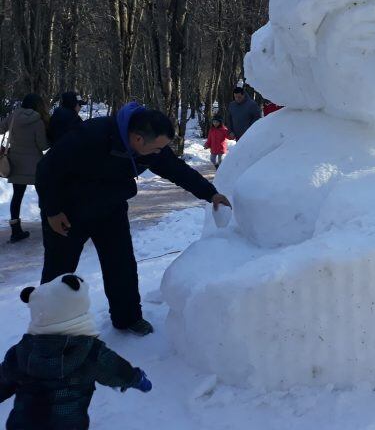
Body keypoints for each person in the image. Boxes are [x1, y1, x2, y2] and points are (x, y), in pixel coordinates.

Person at [35, 102, 231, 336]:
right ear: (138, 139)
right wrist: (52, 211)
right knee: (59, 272)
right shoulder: (90, 135)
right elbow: (47, 170)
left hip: (110, 210)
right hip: (68, 212)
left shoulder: (151, 146)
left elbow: (176, 169)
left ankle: (127, 318)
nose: (160, 153)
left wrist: (210, 193)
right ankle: (47, 328)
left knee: (121, 266)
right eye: (158, 148)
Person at [0, 274, 151, 430]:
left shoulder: (20, 352)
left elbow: (3, 379)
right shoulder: (91, 351)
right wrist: (136, 379)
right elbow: (116, 370)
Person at [0, 94, 50, 243]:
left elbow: (1, 128)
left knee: (17, 196)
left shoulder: (13, 116)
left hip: (15, 163)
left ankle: (15, 230)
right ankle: (48, 225)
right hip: (35, 164)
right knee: (43, 194)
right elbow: (43, 145)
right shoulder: (38, 121)